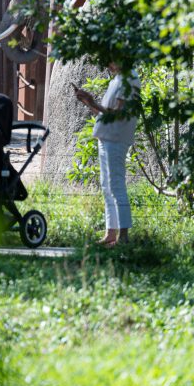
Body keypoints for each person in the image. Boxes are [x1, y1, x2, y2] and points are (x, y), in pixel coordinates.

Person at [74, 64, 141, 248]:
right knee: (107, 186)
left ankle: (124, 237)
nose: (107, 63)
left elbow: (118, 115)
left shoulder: (129, 78)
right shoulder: (117, 79)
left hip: (116, 139)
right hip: (106, 137)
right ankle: (111, 234)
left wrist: (94, 102)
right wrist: (88, 102)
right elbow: (104, 114)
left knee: (116, 185)